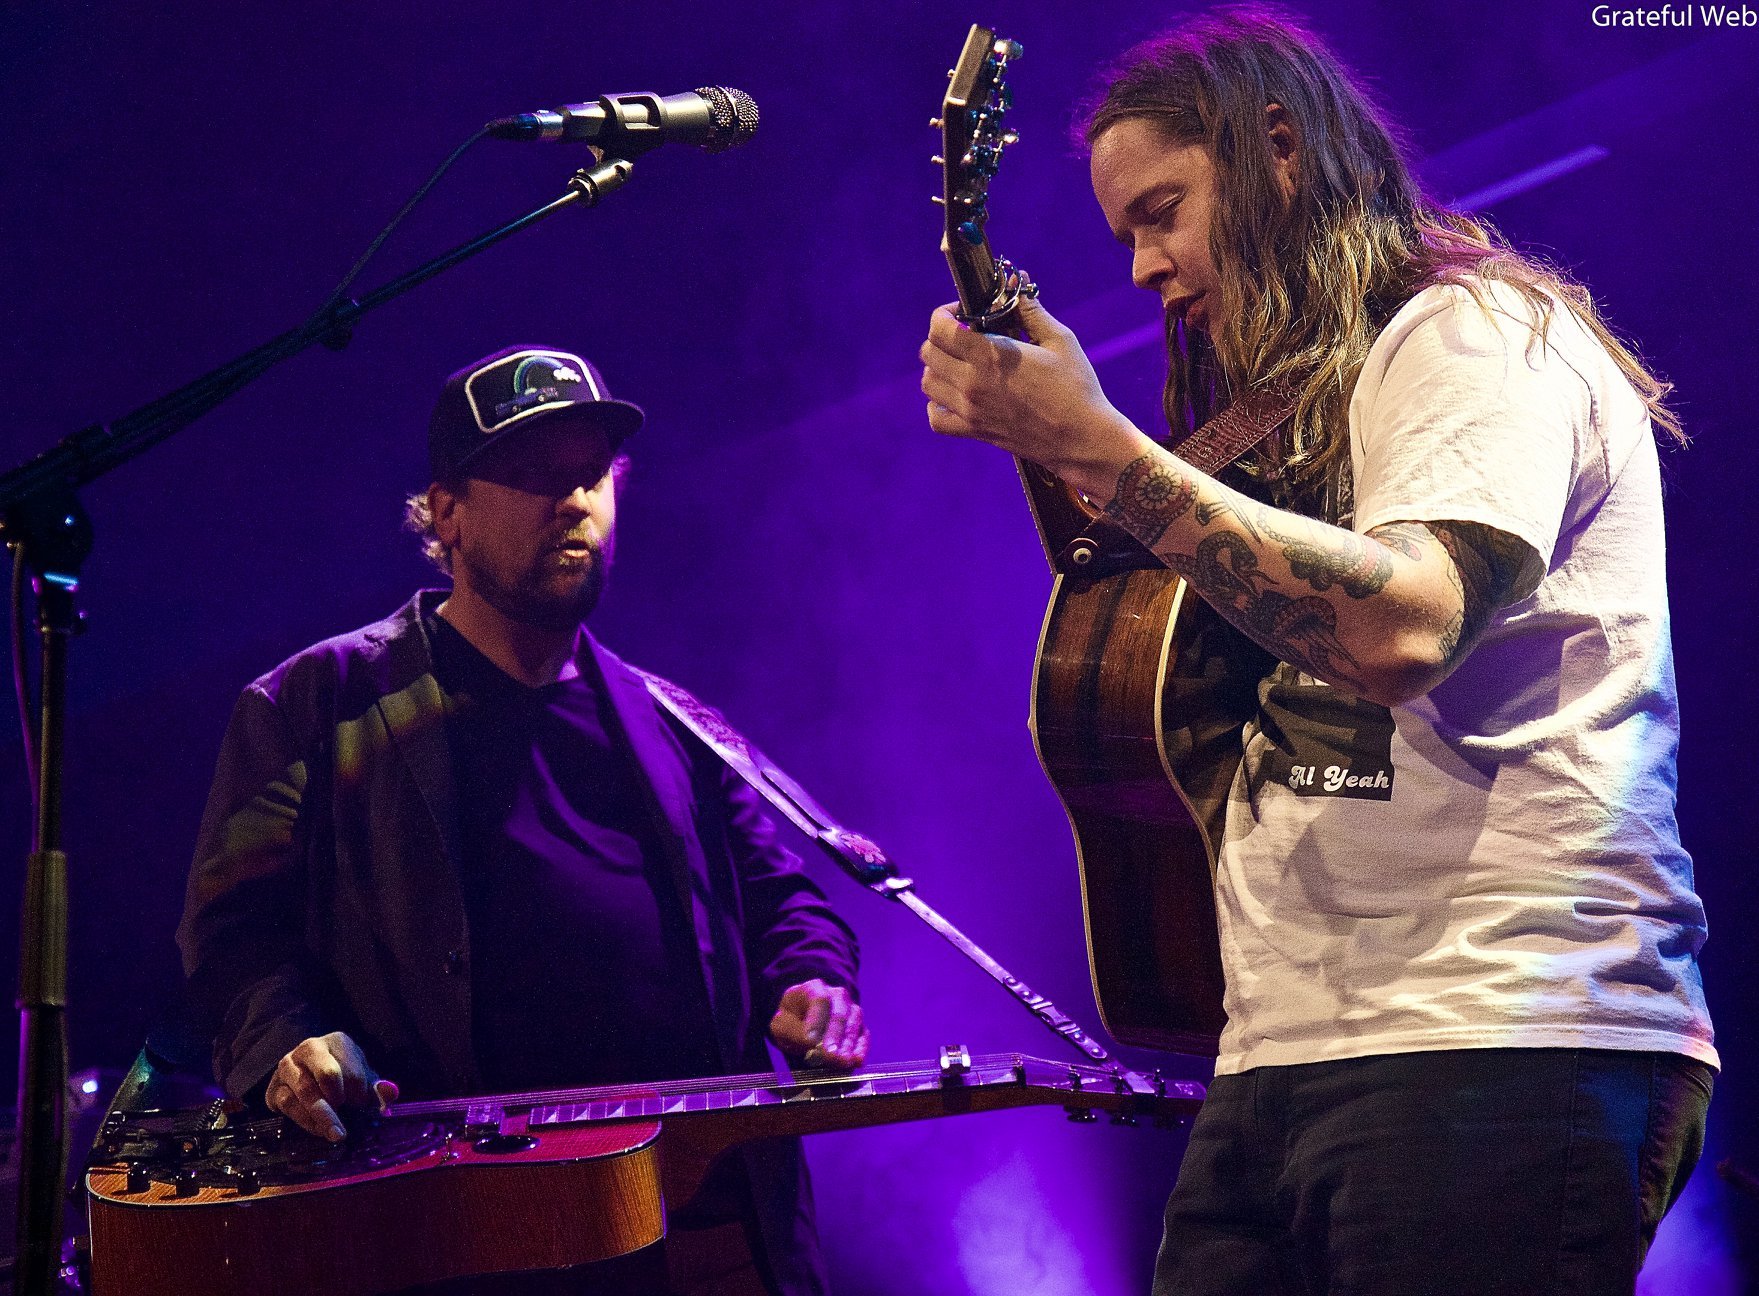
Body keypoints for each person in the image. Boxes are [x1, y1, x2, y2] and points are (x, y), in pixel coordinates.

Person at [919, 9, 1714, 1294]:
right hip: (1286, 1052)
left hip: (1498, 1030)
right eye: (1126, 230)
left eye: (1164, 210)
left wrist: (1096, 446)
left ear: (1278, 147)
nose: (1140, 268)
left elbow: (1404, 628)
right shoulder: (1294, 406)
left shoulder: (1468, 333)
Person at [178, 345, 867, 1296]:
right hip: (453, 1221)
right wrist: (286, 1045)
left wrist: (813, 979)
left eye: (592, 474)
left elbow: (785, 899)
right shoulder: (318, 702)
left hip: (693, 1218)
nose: (572, 499)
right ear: (447, 513)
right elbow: (233, 935)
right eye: (535, 476)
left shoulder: (674, 720)